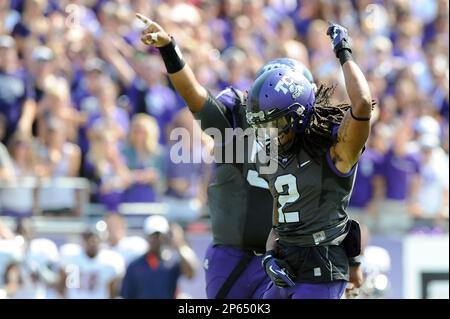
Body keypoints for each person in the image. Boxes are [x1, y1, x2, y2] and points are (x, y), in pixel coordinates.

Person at [137, 13, 362, 299]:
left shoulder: (311, 137)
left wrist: (351, 262)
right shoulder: (235, 117)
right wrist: (169, 49)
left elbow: (332, 204)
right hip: (234, 252)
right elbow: (194, 95)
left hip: (288, 256)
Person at [243, 22, 371, 299]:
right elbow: (280, 220)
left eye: (276, 123)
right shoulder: (273, 155)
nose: (271, 133)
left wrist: (344, 52)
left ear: (299, 114)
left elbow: (361, 106)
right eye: (264, 126)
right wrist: (268, 257)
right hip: (287, 267)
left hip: (321, 266)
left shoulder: (335, 151)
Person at [120, 215, 198, 299]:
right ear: (146, 237)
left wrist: (179, 244)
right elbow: (126, 295)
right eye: (153, 235)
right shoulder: (135, 266)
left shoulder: (173, 261)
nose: (157, 239)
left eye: (160, 235)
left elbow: (191, 274)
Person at [59, 228, 125, 299]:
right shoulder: (71, 257)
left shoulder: (109, 260)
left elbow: (112, 288)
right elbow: (62, 282)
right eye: (88, 239)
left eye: (94, 239)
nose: (92, 242)